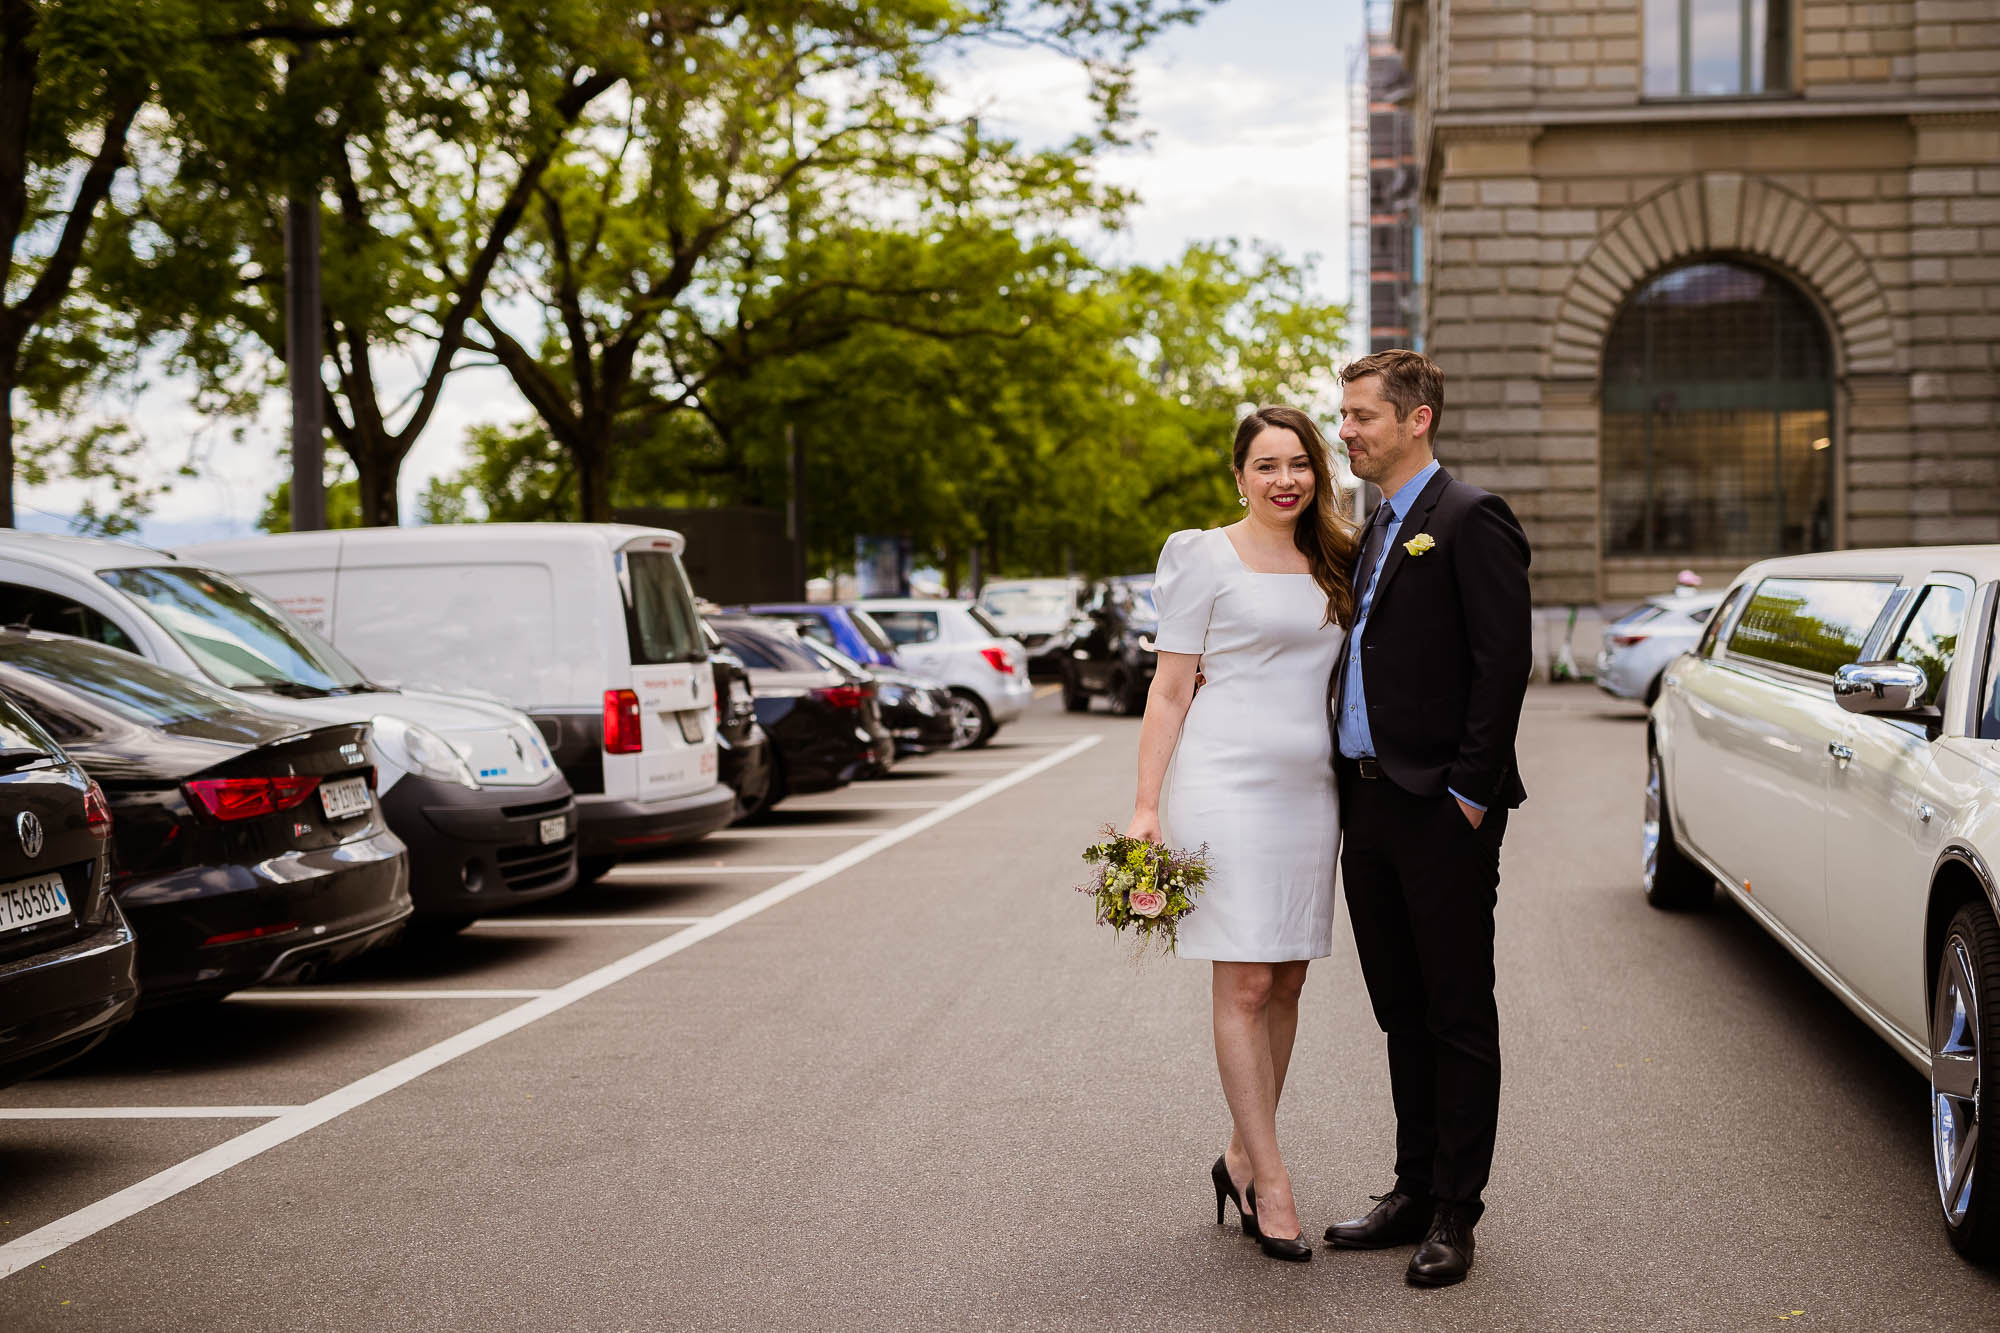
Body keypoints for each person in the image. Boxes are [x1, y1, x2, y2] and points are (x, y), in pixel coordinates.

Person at [1125, 405, 1358, 1263]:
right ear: (1238, 475)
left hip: (1309, 790)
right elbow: (1170, 689)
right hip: (1224, 784)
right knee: (1248, 980)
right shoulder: (1202, 556)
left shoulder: (1335, 554)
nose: (1285, 479)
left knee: (1289, 978)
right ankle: (1271, 1179)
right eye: (1266, 465)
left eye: (1299, 463)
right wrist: (1147, 805)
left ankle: (1236, 1154)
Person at [1322, 349, 1532, 1287]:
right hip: (1365, 802)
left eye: (1361, 414)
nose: (1346, 430)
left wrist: (1468, 796)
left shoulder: (1470, 516)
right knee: (1398, 1006)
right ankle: (1409, 1187)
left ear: (1417, 420)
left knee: (1455, 1011)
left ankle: (1456, 1208)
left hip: (1441, 809)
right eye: (1345, 413)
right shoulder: (1373, 528)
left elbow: (1502, 664)